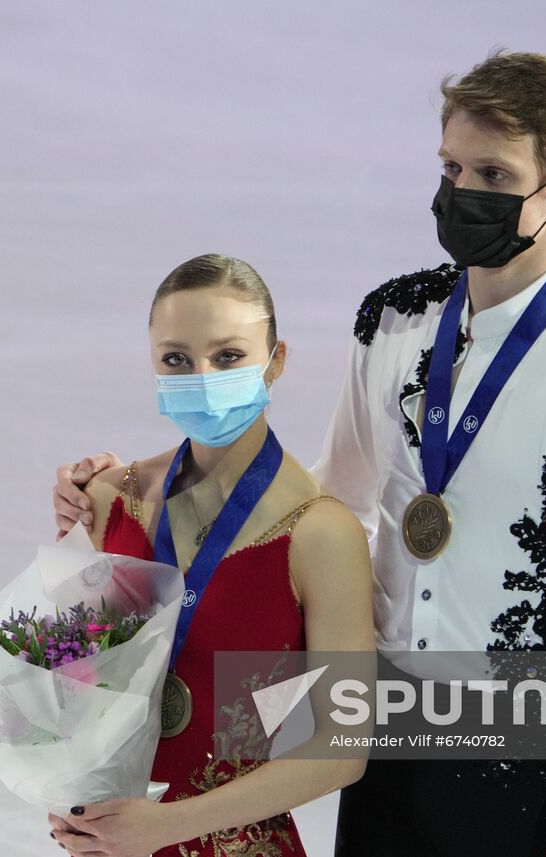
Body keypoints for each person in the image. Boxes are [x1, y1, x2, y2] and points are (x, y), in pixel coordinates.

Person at [55, 52, 546, 857]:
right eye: (452, 167)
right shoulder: (395, 320)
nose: (462, 193)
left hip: (525, 765)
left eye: (494, 175)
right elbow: (326, 512)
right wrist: (141, 493)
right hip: (387, 750)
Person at [47, 253, 375, 857]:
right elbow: (79, 671)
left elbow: (342, 750)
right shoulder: (108, 500)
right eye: (177, 358)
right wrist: (68, 788)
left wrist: (165, 827)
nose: (200, 376)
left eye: (227, 357)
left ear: (275, 362)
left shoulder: (322, 535)